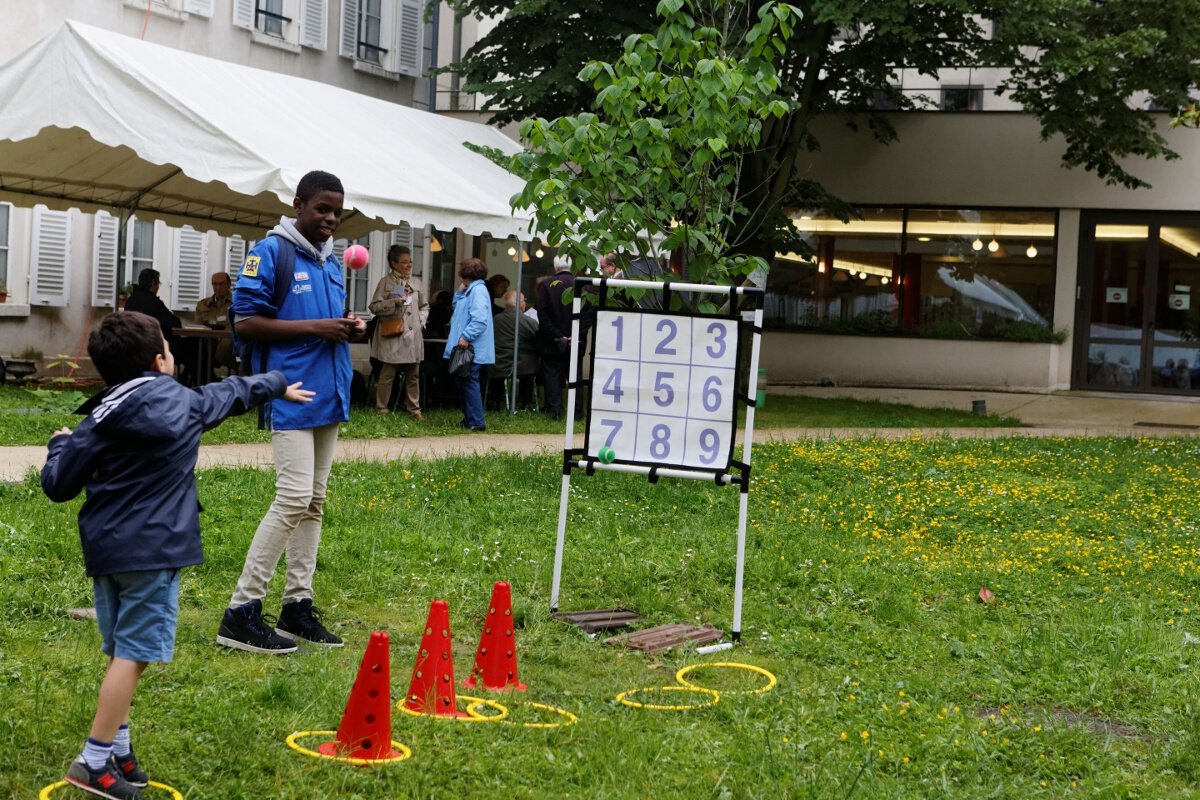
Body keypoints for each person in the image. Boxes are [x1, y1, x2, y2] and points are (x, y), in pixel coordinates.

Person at [41, 311, 311, 800]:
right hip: (155, 550)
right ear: (159, 360)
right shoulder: (184, 403)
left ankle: (119, 749)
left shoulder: (99, 415)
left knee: (124, 652)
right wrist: (278, 382)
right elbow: (231, 393)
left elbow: (58, 486)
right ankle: (93, 761)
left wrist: (58, 446)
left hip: (106, 554)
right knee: (134, 655)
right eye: (167, 344)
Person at [217, 169, 366, 654]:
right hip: (290, 391)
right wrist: (317, 328)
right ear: (298, 204)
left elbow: (322, 323)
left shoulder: (330, 261)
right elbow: (247, 323)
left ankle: (296, 607)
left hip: (330, 393)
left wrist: (348, 326)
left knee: (314, 503)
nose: (330, 219)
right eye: (322, 208)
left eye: (336, 212)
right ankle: (241, 612)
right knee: (293, 498)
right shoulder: (271, 252)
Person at [367, 245, 428, 418]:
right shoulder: (386, 282)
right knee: (387, 374)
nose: (409, 265)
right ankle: (382, 409)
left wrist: (420, 321)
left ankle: (414, 410)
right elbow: (374, 307)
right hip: (393, 334)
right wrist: (393, 302)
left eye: (410, 262)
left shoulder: (416, 282)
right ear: (394, 264)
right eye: (404, 262)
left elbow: (424, 306)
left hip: (413, 335)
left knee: (413, 374)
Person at [536, 254, 593, 420]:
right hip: (578, 340)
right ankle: (576, 413)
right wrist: (575, 335)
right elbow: (588, 316)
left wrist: (558, 335)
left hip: (551, 341)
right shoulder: (584, 287)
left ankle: (554, 412)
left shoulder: (546, 285)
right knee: (575, 376)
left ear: (556, 268)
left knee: (552, 376)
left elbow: (543, 314)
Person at [444, 258, 494, 431]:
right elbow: (458, 307)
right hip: (467, 346)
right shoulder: (471, 290)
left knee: (469, 380)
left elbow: (480, 320)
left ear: (465, 274)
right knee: (463, 381)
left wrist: (465, 337)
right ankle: (470, 418)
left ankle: (476, 421)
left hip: (471, 347)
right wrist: (458, 293)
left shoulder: (478, 291)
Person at [488, 290, 540, 411]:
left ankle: (494, 401)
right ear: (520, 303)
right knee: (531, 363)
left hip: (498, 364)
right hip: (521, 365)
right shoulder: (529, 321)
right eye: (524, 300)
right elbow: (538, 338)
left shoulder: (496, 319)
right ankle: (525, 403)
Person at [194, 271, 237, 377]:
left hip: (227, 346)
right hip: (205, 344)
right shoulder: (203, 304)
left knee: (200, 357)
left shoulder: (238, 304)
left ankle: (203, 380)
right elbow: (197, 327)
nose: (217, 287)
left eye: (221, 284)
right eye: (214, 284)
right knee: (194, 348)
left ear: (228, 284)